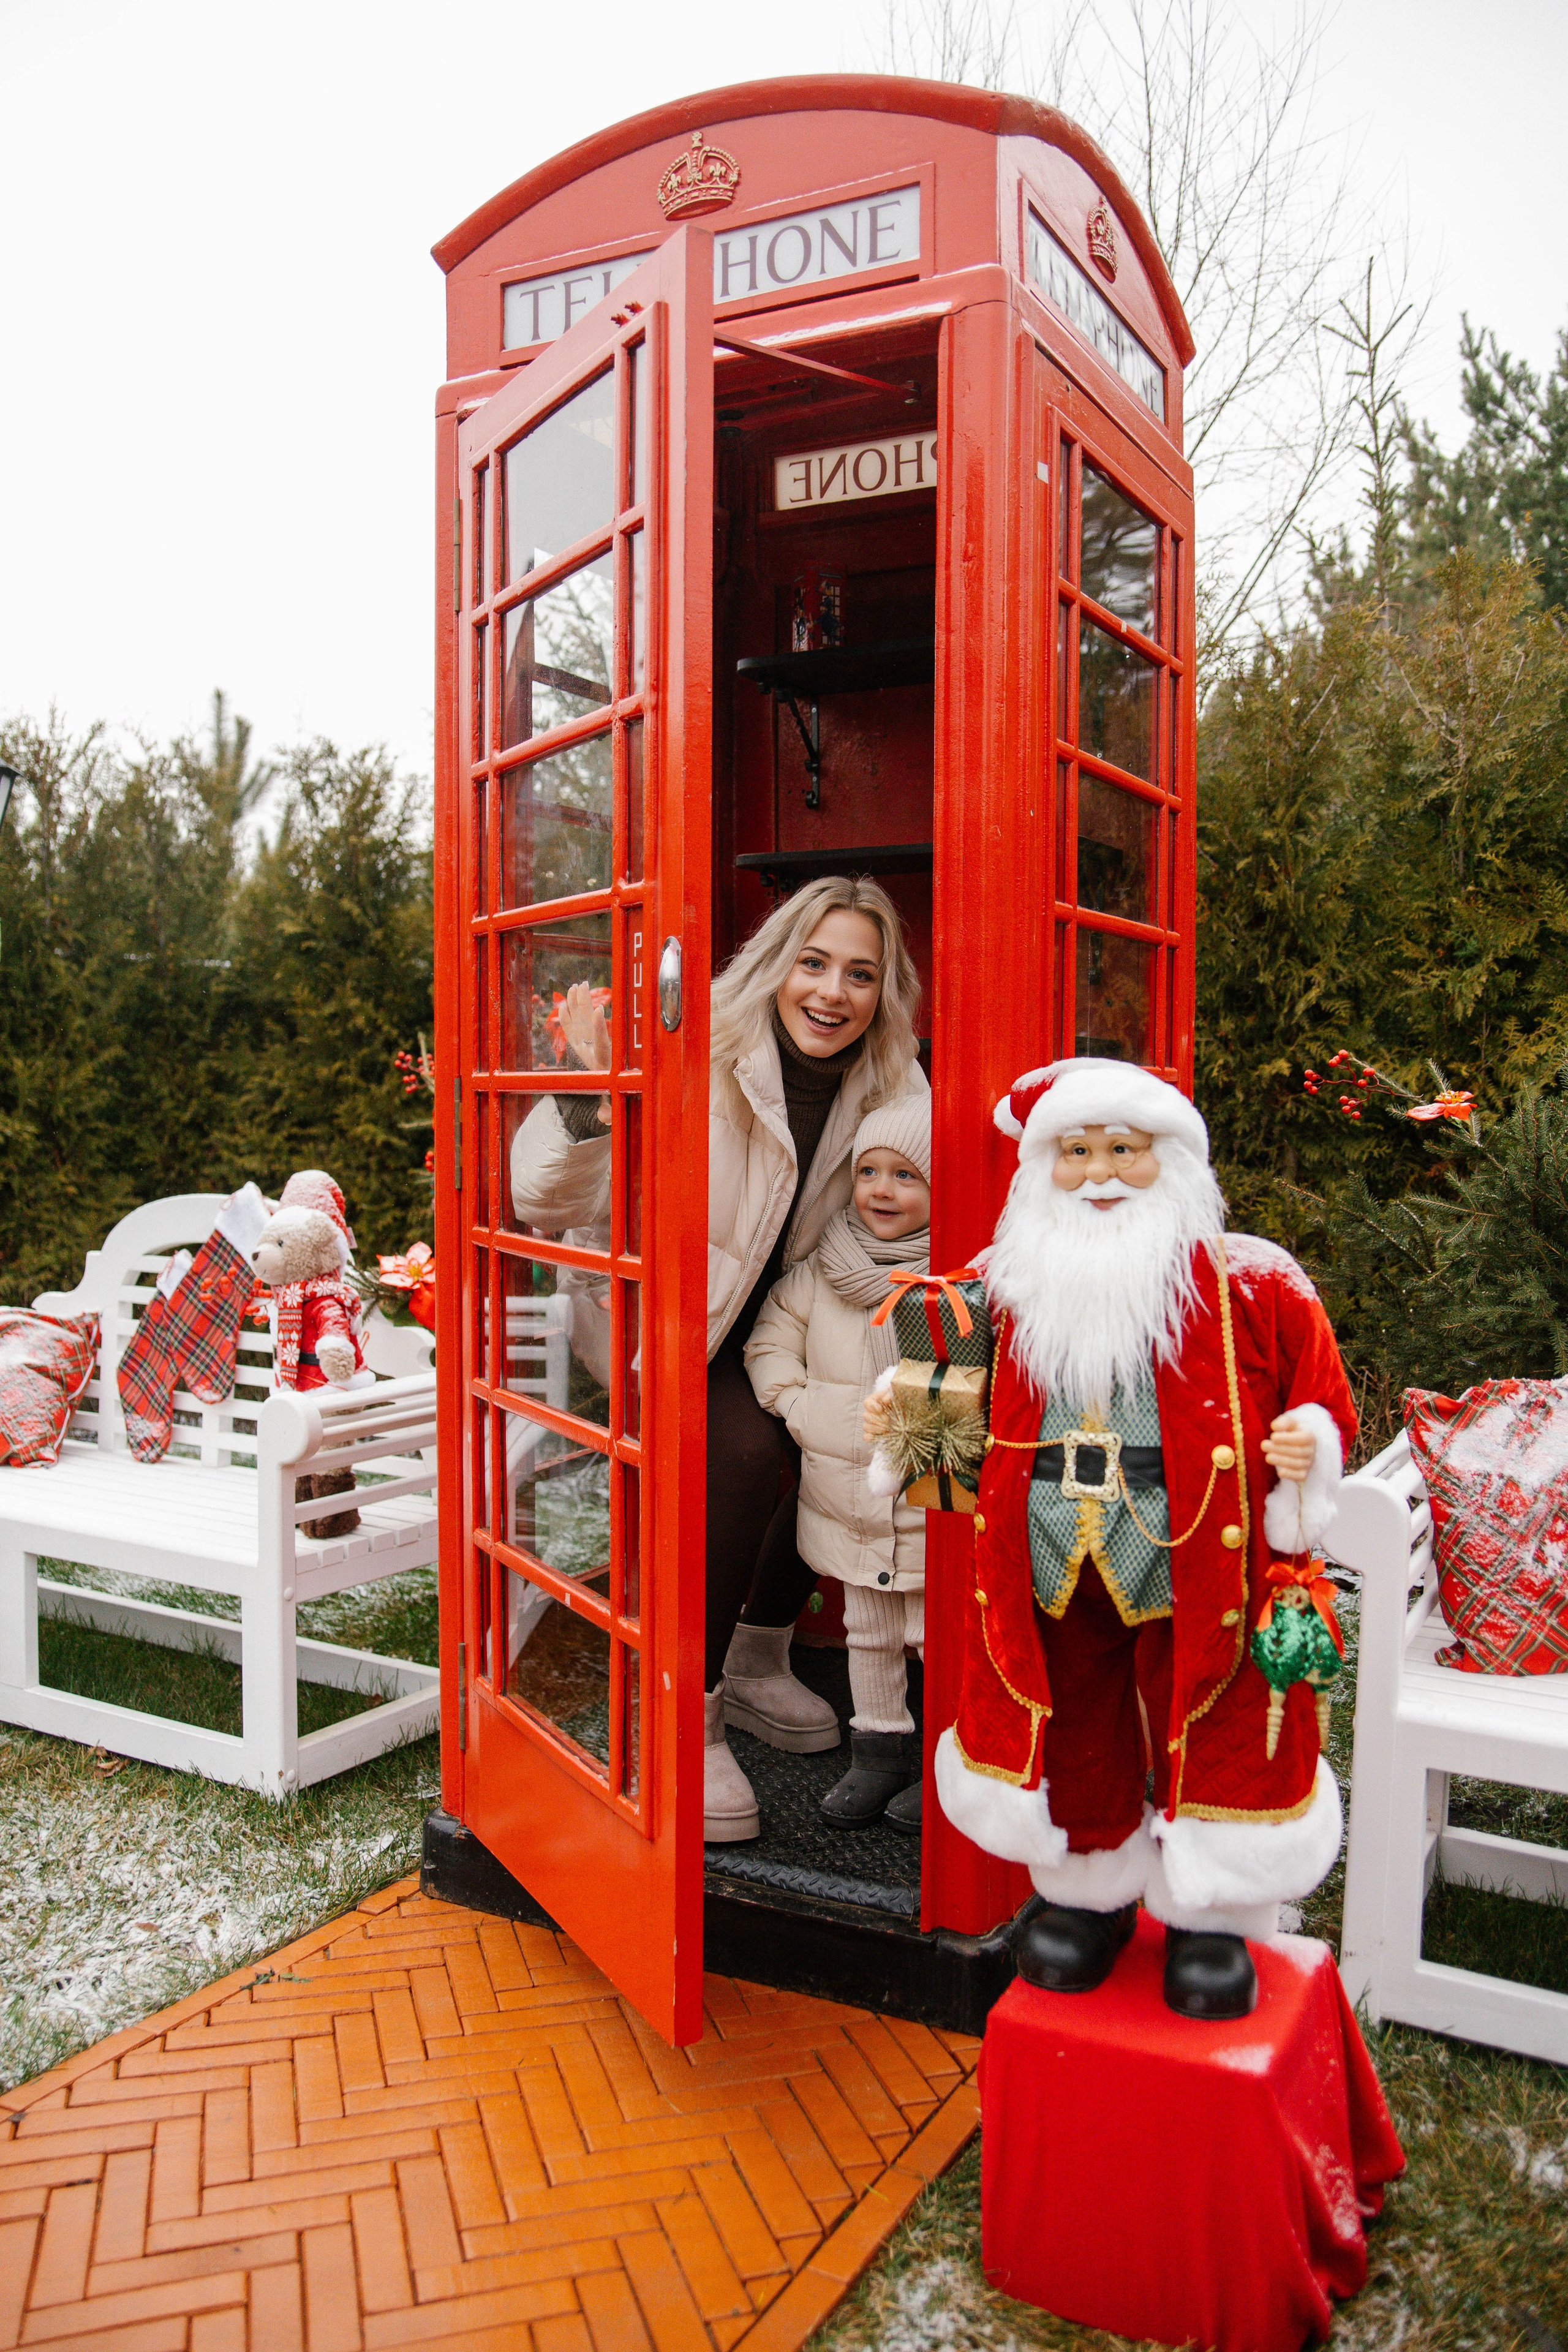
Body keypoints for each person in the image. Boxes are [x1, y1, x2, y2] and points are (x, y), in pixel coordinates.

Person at [904, 1057, 1355, 2021]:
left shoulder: (1255, 1282)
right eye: (1076, 1152)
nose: (1101, 1173)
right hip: (1057, 1556)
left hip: (1199, 1554)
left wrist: (1307, 1444)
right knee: (1074, 1723)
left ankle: (1214, 1913)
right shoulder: (999, 1285)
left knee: (1218, 1719)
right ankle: (1089, 1894)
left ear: (1174, 1162)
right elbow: (940, 1409)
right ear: (1042, 1168)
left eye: (1124, 1151)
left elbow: (1322, 1390)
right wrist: (897, 1423)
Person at [509, 876, 927, 1841]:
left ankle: (757, 1658)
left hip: (788, 1318)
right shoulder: (698, 1040)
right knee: (749, 1458)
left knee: (860, 1441)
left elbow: (925, 1192)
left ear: (885, 990)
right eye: (813, 964)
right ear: (778, 964)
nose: (832, 993)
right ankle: (683, 1711)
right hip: (669, 1321)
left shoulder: (896, 1079)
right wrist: (591, 1096)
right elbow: (546, 1199)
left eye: (860, 974)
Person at [744, 1097, 932, 1833]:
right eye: (869, 1172)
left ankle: (951, 1760)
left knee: (933, 1639)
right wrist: (799, 1407)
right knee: (869, 1634)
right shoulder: (825, 1268)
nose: (881, 1190)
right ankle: (878, 1754)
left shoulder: (960, 1281)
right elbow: (769, 1343)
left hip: (930, 1505)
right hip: (844, 1496)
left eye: (906, 1176)